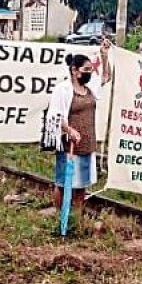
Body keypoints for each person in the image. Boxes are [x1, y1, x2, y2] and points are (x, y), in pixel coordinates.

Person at [44, 40, 112, 219]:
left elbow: (106, 77)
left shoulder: (89, 88)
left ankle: (77, 217)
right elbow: (55, 115)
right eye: (86, 70)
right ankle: (61, 216)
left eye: (91, 70)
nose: (89, 73)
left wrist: (104, 56)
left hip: (87, 144)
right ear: (74, 70)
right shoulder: (63, 89)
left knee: (81, 184)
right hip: (69, 146)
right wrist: (69, 130)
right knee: (63, 183)